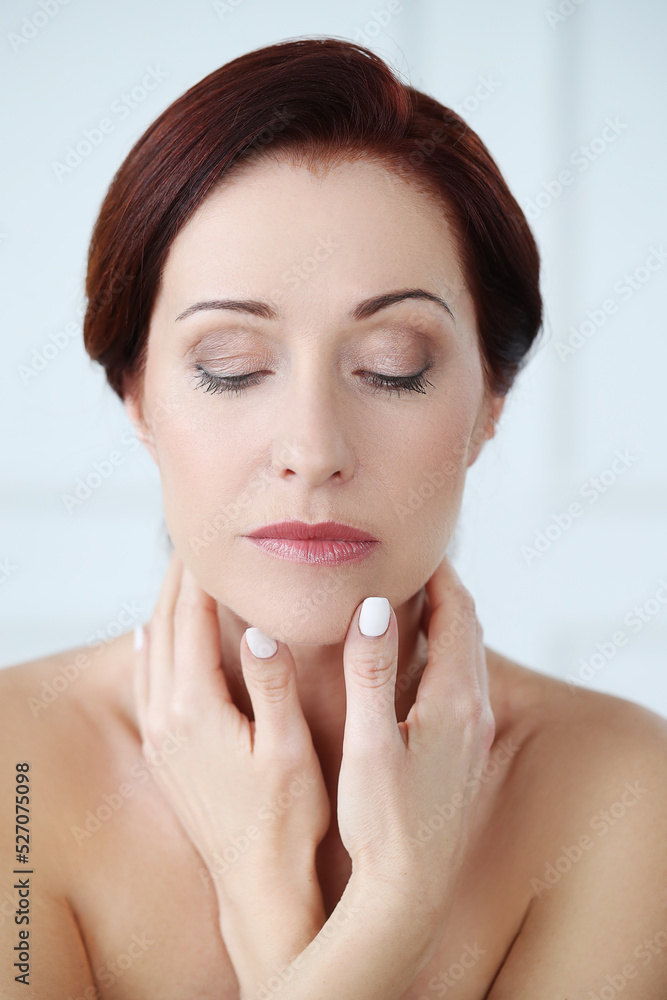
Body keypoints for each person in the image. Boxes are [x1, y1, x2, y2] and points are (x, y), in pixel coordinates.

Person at [2, 36, 666, 1000]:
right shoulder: (15, 772)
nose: (311, 448)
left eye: (393, 366)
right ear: (137, 396)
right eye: (230, 366)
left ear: (491, 400)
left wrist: (318, 919)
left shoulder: (626, 792)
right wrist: (377, 916)